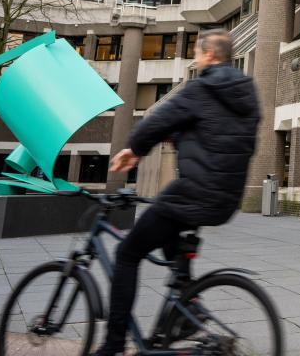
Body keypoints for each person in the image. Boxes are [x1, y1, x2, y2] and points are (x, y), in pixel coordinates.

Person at [93, 29, 261, 356]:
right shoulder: (246, 93)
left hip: (194, 193)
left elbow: (157, 121)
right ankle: (187, 305)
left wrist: (134, 150)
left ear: (211, 55)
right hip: (225, 199)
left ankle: (113, 344)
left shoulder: (202, 89)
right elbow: (221, 137)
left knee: (128, 254)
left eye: (197, 54)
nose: (195, 61)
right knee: (172, 233)